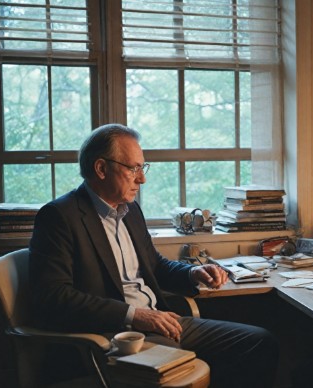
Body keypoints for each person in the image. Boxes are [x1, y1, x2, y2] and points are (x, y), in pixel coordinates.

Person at [29, 123, 278, 387]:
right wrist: (134, 314)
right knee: (182, 373)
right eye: (132, 168)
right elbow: (53, 296)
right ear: (101, 168)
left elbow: (154, 266)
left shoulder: (130, 210)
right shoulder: (59, 216)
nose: (142, 179)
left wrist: (192, 273)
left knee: (260, 342)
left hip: (160, 320)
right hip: (115, 336)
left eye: (142, 168)